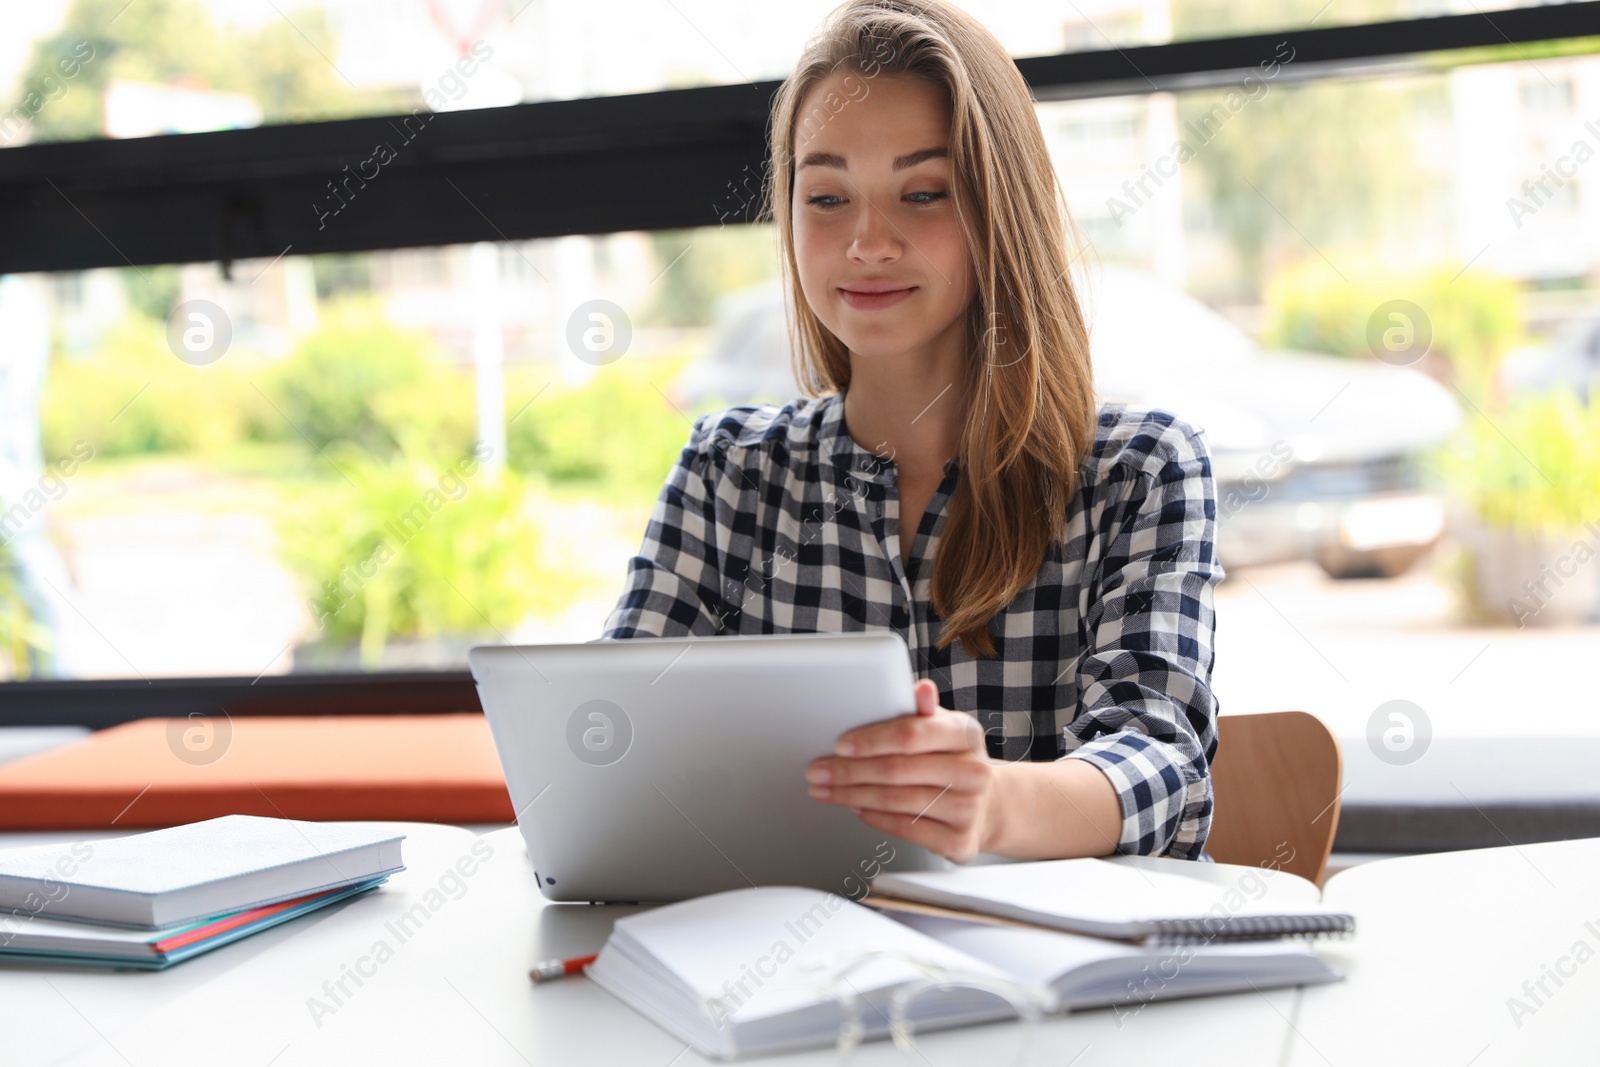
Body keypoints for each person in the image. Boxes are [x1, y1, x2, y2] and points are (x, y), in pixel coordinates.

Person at [600, 0, 1224, 865]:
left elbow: (1161, 758)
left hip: (1046, 982)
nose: (866, 241)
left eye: (921, 193)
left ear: (998, 213)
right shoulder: (727, 473)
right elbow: (608, 747)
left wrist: (991, 802)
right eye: (826, 196)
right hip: (789, 967)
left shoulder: (1139, 469)